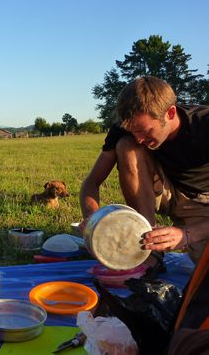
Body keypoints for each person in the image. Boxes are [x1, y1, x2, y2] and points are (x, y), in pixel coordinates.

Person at [79, 76, 209, 262]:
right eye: (134, 131)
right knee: (126, 145)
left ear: (170, 113)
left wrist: (188, 234)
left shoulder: (204, 125)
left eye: (145, 131)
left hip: (202, 201)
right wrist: (93, 220)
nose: (139, 139)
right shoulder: (129, 127)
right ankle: (148, 246)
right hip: (162, 190)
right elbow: (92, 182)